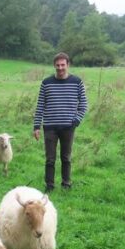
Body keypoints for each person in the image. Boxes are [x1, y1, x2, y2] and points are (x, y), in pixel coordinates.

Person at [33, 52, 88, 193]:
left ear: (68, 65)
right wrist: (36, 126)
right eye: (57, 65)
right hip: (50, 126)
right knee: (50, 159)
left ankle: (66, 184)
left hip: (68, 127)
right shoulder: (46, 83)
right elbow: (40, 105)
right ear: (54, 65)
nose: (60, 68)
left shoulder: (77, 82)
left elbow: (84, 104)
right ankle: (49, 186)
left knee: (66, 158)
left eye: (63, 65)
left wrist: (76, 120)